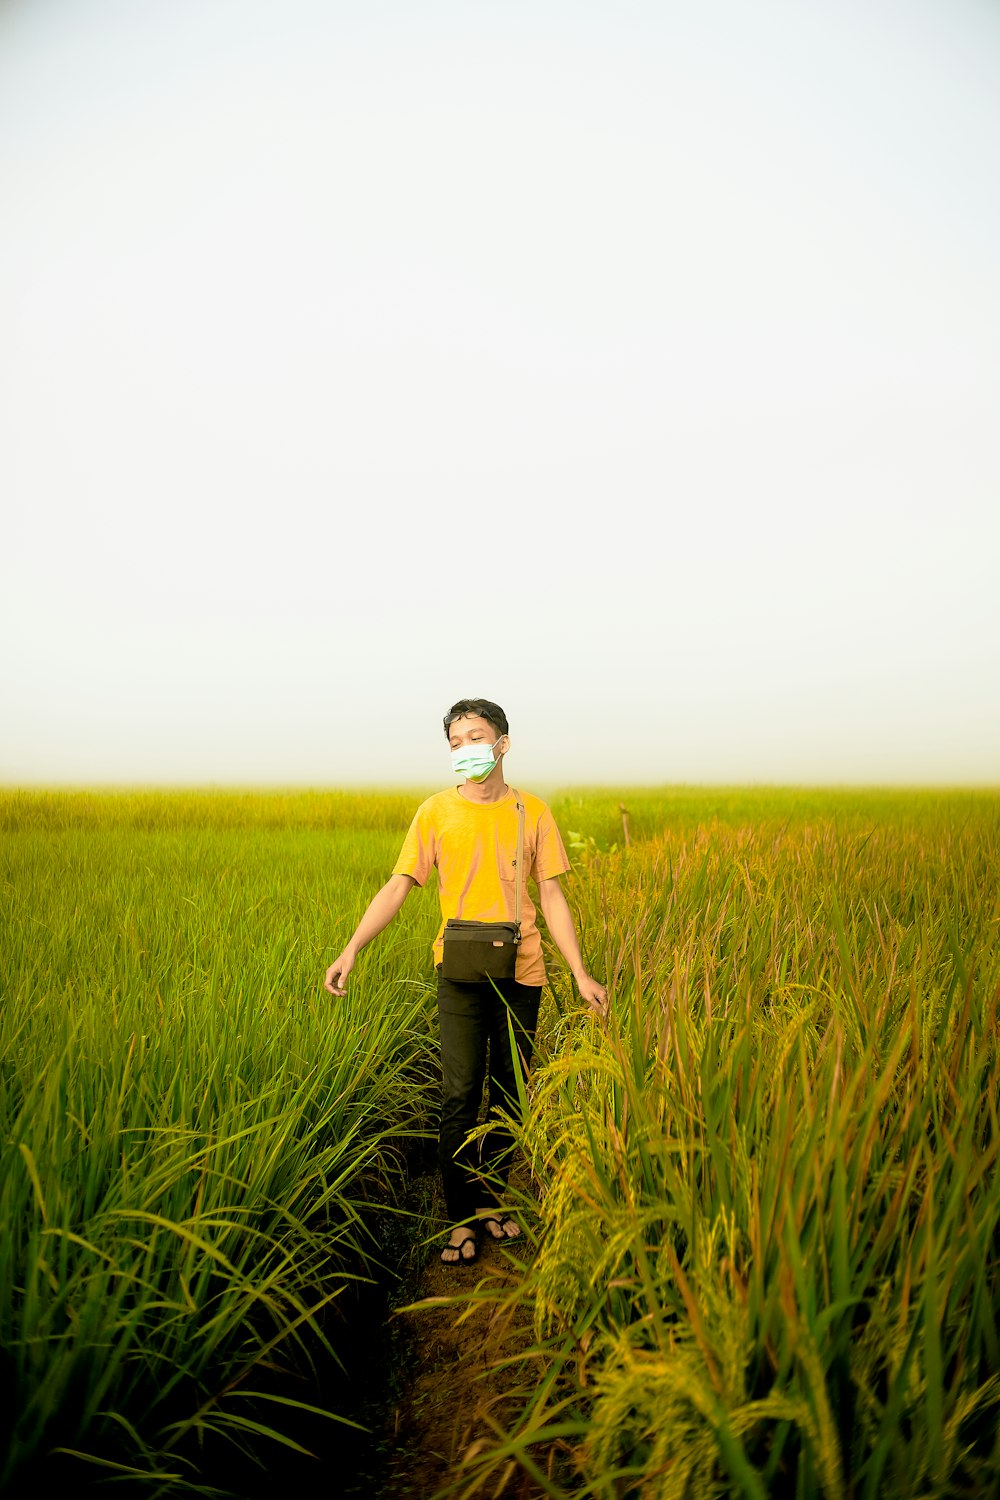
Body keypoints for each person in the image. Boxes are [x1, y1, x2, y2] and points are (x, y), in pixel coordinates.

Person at [324, 697, 608, 1266]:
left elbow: (551, 894)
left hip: (521, 970)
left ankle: (490, 1199)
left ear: (502, 743)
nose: (465, 750)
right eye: (455, 742)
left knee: (509, 1092)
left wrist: (579, 972)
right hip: (456, 970)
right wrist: (352, 948)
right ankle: (460, 1217)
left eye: (475, 738)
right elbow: (400, 883)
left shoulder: (532, 812)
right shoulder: (434, 812)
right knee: (459, 1094)